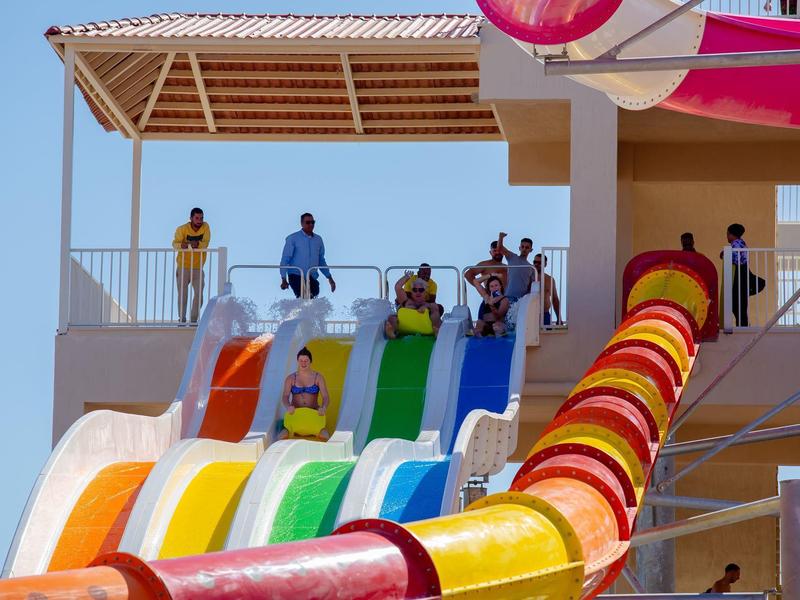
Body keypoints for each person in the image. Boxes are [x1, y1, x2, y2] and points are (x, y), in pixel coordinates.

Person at [278, 347, 330, 441]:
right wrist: (288, 406)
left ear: (310, 361)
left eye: (306, 360)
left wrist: (323, 408)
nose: (303, 363)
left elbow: (326, 396)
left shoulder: (318, 377)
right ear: (297, 361)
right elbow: (285, 396)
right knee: (281, 437)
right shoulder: (291, 378)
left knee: (326, 437)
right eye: (301, 360)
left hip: (313, 413)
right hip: (296, 413)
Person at [280, 213, 336, 299]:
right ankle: (296, 311)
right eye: (308, 222)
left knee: (314, 294)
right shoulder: (293, 238)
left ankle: (308, 312)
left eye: (313, 222)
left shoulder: (318, 240)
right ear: (302, 223)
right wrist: (284, 278)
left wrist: (329, 278)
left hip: (311, 275)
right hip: (296, 274)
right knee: (302, 296)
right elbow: (285, 259)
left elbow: (321, 260)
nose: (311, 224)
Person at [172, 207, 210, 324]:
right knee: (182, 295)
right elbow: (175, 244)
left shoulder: (205, 227)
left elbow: (205, 243)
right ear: (191, 218)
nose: (199, 220)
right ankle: (182, 319)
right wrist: (185, 245)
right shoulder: (182, 229)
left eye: (201, 218)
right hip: (183, 266)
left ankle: (193, 320)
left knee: (199, 295)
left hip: (198, 268)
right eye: (197, 218)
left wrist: (197, 243)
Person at [385, 271, 442, 339]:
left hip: (426, 328)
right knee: (392, 317)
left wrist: (426, 307)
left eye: (421, 290)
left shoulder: (430, 304)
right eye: (415, 290)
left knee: (435, 308)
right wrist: (407, 277)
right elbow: (398, 287)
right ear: (411, 292)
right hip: (404, 328)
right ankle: (392, 332)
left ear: (425, 292)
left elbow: (434, 309)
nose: (418, 292)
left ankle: (437, 329)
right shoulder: (406, 301)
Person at [721, 223, 751, 327]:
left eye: (727, 234)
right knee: (740, 305)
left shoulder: (736, 244)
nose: (727, 236)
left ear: (731, 234)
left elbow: (736, 260)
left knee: (737, 303)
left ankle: (742, 326)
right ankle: (743, 325)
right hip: (741, 275)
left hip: (739, 276)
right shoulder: (741, 243)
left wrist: (724, 254)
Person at [497, 232, 535, 302]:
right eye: (522, 246)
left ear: (531, 250)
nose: (524, 249)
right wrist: (501, 237)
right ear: (519, 248)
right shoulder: (512, 257)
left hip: (522, 300)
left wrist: (527, 299)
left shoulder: (531, 267)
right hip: (508, 297)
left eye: (527, 247)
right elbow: (500, 249)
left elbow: (531, 286)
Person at [533, 254, 562, 326]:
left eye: (539, 263)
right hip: (530, 314)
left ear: (545, 264)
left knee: (547, 336)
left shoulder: (549, 280)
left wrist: (559, 318)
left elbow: (555, 299)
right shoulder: (528, 277)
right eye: (535, 262)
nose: (536, 264)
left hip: (545, 315)